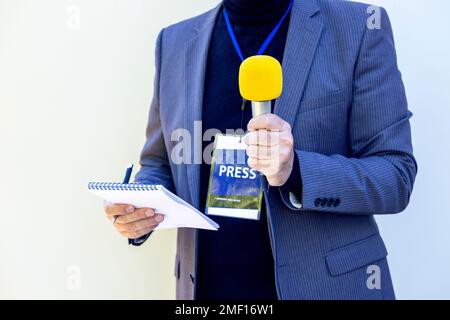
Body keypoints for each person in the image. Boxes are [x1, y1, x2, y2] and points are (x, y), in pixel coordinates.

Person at [104, 0, 417, 300]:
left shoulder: (360, 27)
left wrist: (295, 170)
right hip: (207, 290)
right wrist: (138, 209)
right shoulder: (173, 42)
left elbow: (395, 175)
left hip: (323, 287)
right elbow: (159, 161)